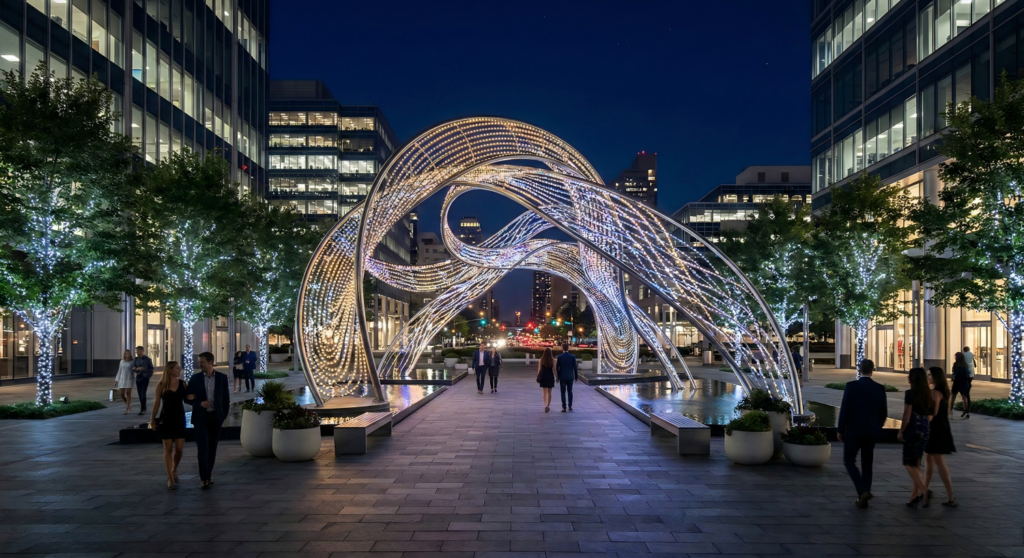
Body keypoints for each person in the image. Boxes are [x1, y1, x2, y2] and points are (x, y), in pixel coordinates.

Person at [837, 358, 888, 509]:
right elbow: (884, 413)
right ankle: (864, 493)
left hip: (853, 430)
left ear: (859, 369)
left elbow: (845, 409)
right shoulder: (879, 388)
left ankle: (862, 491)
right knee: (867, 463)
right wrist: (877, 427)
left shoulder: (851, 386)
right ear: (872, 370)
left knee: (849, 460)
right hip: (871, 431)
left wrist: (840, 429)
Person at [185, 352, 230, 489]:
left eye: (202, 362)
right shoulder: (195, 378)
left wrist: (223, 416)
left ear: (210, 362)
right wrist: (199, 404)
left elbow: (226, 399)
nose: (199, 364)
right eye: (199, 362)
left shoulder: (222, 378)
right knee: (202, 447)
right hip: (200, 418)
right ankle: (203, 477)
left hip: (216, 417)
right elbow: (187, 398)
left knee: (212, 447)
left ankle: (208, 475)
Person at [898, 367, 935, 508]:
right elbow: (930, 416)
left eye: (909, 376)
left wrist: (901, 431)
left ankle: (925, 491)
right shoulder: (928, 394)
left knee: (909, 463)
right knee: (917, 463)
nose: (908, 378)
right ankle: (914, 496)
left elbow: (906, 415)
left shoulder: (910, 394)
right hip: (925, 429)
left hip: (913, 429)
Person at [150, 361, 186, 490]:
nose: (179, 370)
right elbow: (156, 403)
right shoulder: (161, 385)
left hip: (179, 418)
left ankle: (174, 469)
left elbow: (189, 398)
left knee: (180, 448)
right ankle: (169, 476)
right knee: (168, 448)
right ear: (170, 370)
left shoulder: (183, 384)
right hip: (166, 418)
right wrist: (153, 420)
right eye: (177, 368)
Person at [924, 366, 957, 507]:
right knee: (930, 461)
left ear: (936, 377)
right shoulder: (945, 392)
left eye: (930, 375)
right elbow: (946, 412)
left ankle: (950, 495)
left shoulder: (935, 393)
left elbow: (932, 414)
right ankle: (924, 489)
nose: (928, 378)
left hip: (935, 430)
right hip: (942, 428)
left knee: (938, 462)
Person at [555, 344, 578, 412]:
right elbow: (575, 368)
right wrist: (576, 376)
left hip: (562, 377)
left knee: (563, 392)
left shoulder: (559, 357)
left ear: (562, 349)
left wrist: (557, 377)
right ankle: (570, 406)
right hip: (570, 376)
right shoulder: (572, 356)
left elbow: (557, 368)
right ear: (568, 348)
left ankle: (564, 407)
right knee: (570, 391)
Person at [133, 346, 155, 416]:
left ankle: (143, 408)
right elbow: (133, 368)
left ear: (142, 351)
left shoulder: (148, 359)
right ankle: (143, 407)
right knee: (140, 394)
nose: (136, 352)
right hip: (138, 378)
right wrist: (137, 369)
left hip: (145, 378)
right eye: (136, 351)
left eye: (138, 351)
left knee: (143, 393)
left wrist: (148, 376)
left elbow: (151, 369)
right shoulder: (136, 359)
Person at [113, 350, 135, 414]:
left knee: (128, 393)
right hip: (122, 379)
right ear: (124, 355)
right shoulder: (122, 361)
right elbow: (119, 371)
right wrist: (116, 380)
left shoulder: (132, 362)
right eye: (126, 354)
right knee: (122, 394)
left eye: (128, 354)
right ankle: (128, 404)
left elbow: (135, 370)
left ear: (130, 354)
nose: (127, 355)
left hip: (129, 379)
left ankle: (127, 408)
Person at [951, 351, 971, 419]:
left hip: (957, 382)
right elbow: (967, 374)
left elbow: (953, 372)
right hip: (964, 382)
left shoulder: (955, 364)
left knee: (953, 396)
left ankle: (950, 410)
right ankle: (966, 411)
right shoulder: (965, 365)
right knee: (964, 397)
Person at [537, 347, 555, 412]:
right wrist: (557, 377)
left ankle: (545, 405)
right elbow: (555, 370)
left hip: (543, 376)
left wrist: (538, 376)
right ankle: (548, 405)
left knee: (544, 392)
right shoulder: (552, 360)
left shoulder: (541, 360)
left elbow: (539, 370)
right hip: (550, 376)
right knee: (549, 392)